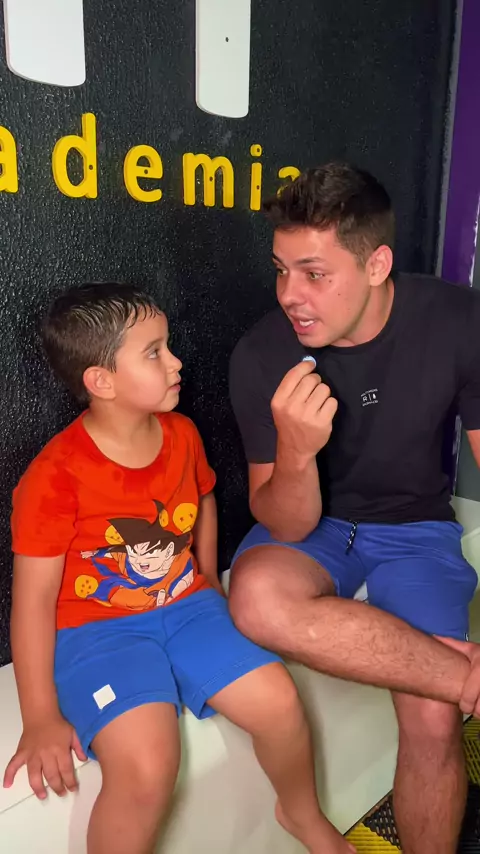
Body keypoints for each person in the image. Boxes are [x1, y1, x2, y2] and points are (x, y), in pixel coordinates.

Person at [3, 283, 355, 854]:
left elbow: (204, 500)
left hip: (188, 608)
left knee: (280, 703)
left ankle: (300, 814)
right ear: (101, 381)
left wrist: (207, 578)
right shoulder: (54, 477)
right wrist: (40, 716)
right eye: (154, 352)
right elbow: (33, 602)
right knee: (147, 765)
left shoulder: (182, 434)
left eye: (167, 346)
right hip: (98, 634)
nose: (176, 362)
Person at [228, 162, 480, 854]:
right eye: (281, 271)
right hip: (317, 528)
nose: (290, 295)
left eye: (314, 274)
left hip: (415, 525)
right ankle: (465, 677)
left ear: (377, 265)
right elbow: (286, 522)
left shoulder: (458, 320)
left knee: (433, 719)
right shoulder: (261, 354)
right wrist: (296, 452)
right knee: (257, 599)